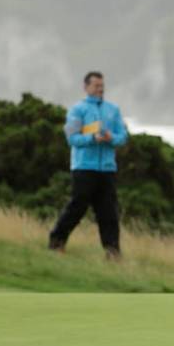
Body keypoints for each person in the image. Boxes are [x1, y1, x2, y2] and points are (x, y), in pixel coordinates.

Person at [48, 71, 129, 258]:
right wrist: (92, 138)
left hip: (107, 169)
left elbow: (123, 136)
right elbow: (72, 138)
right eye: (96, 86)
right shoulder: (77, 110)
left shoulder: (113, 110)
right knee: (77, 207)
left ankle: (113, 252)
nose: (100, 89)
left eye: (102, 86)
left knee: (108, 213)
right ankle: (57, 241)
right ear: (86, 87)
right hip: (84, 167)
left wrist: (111, 138)